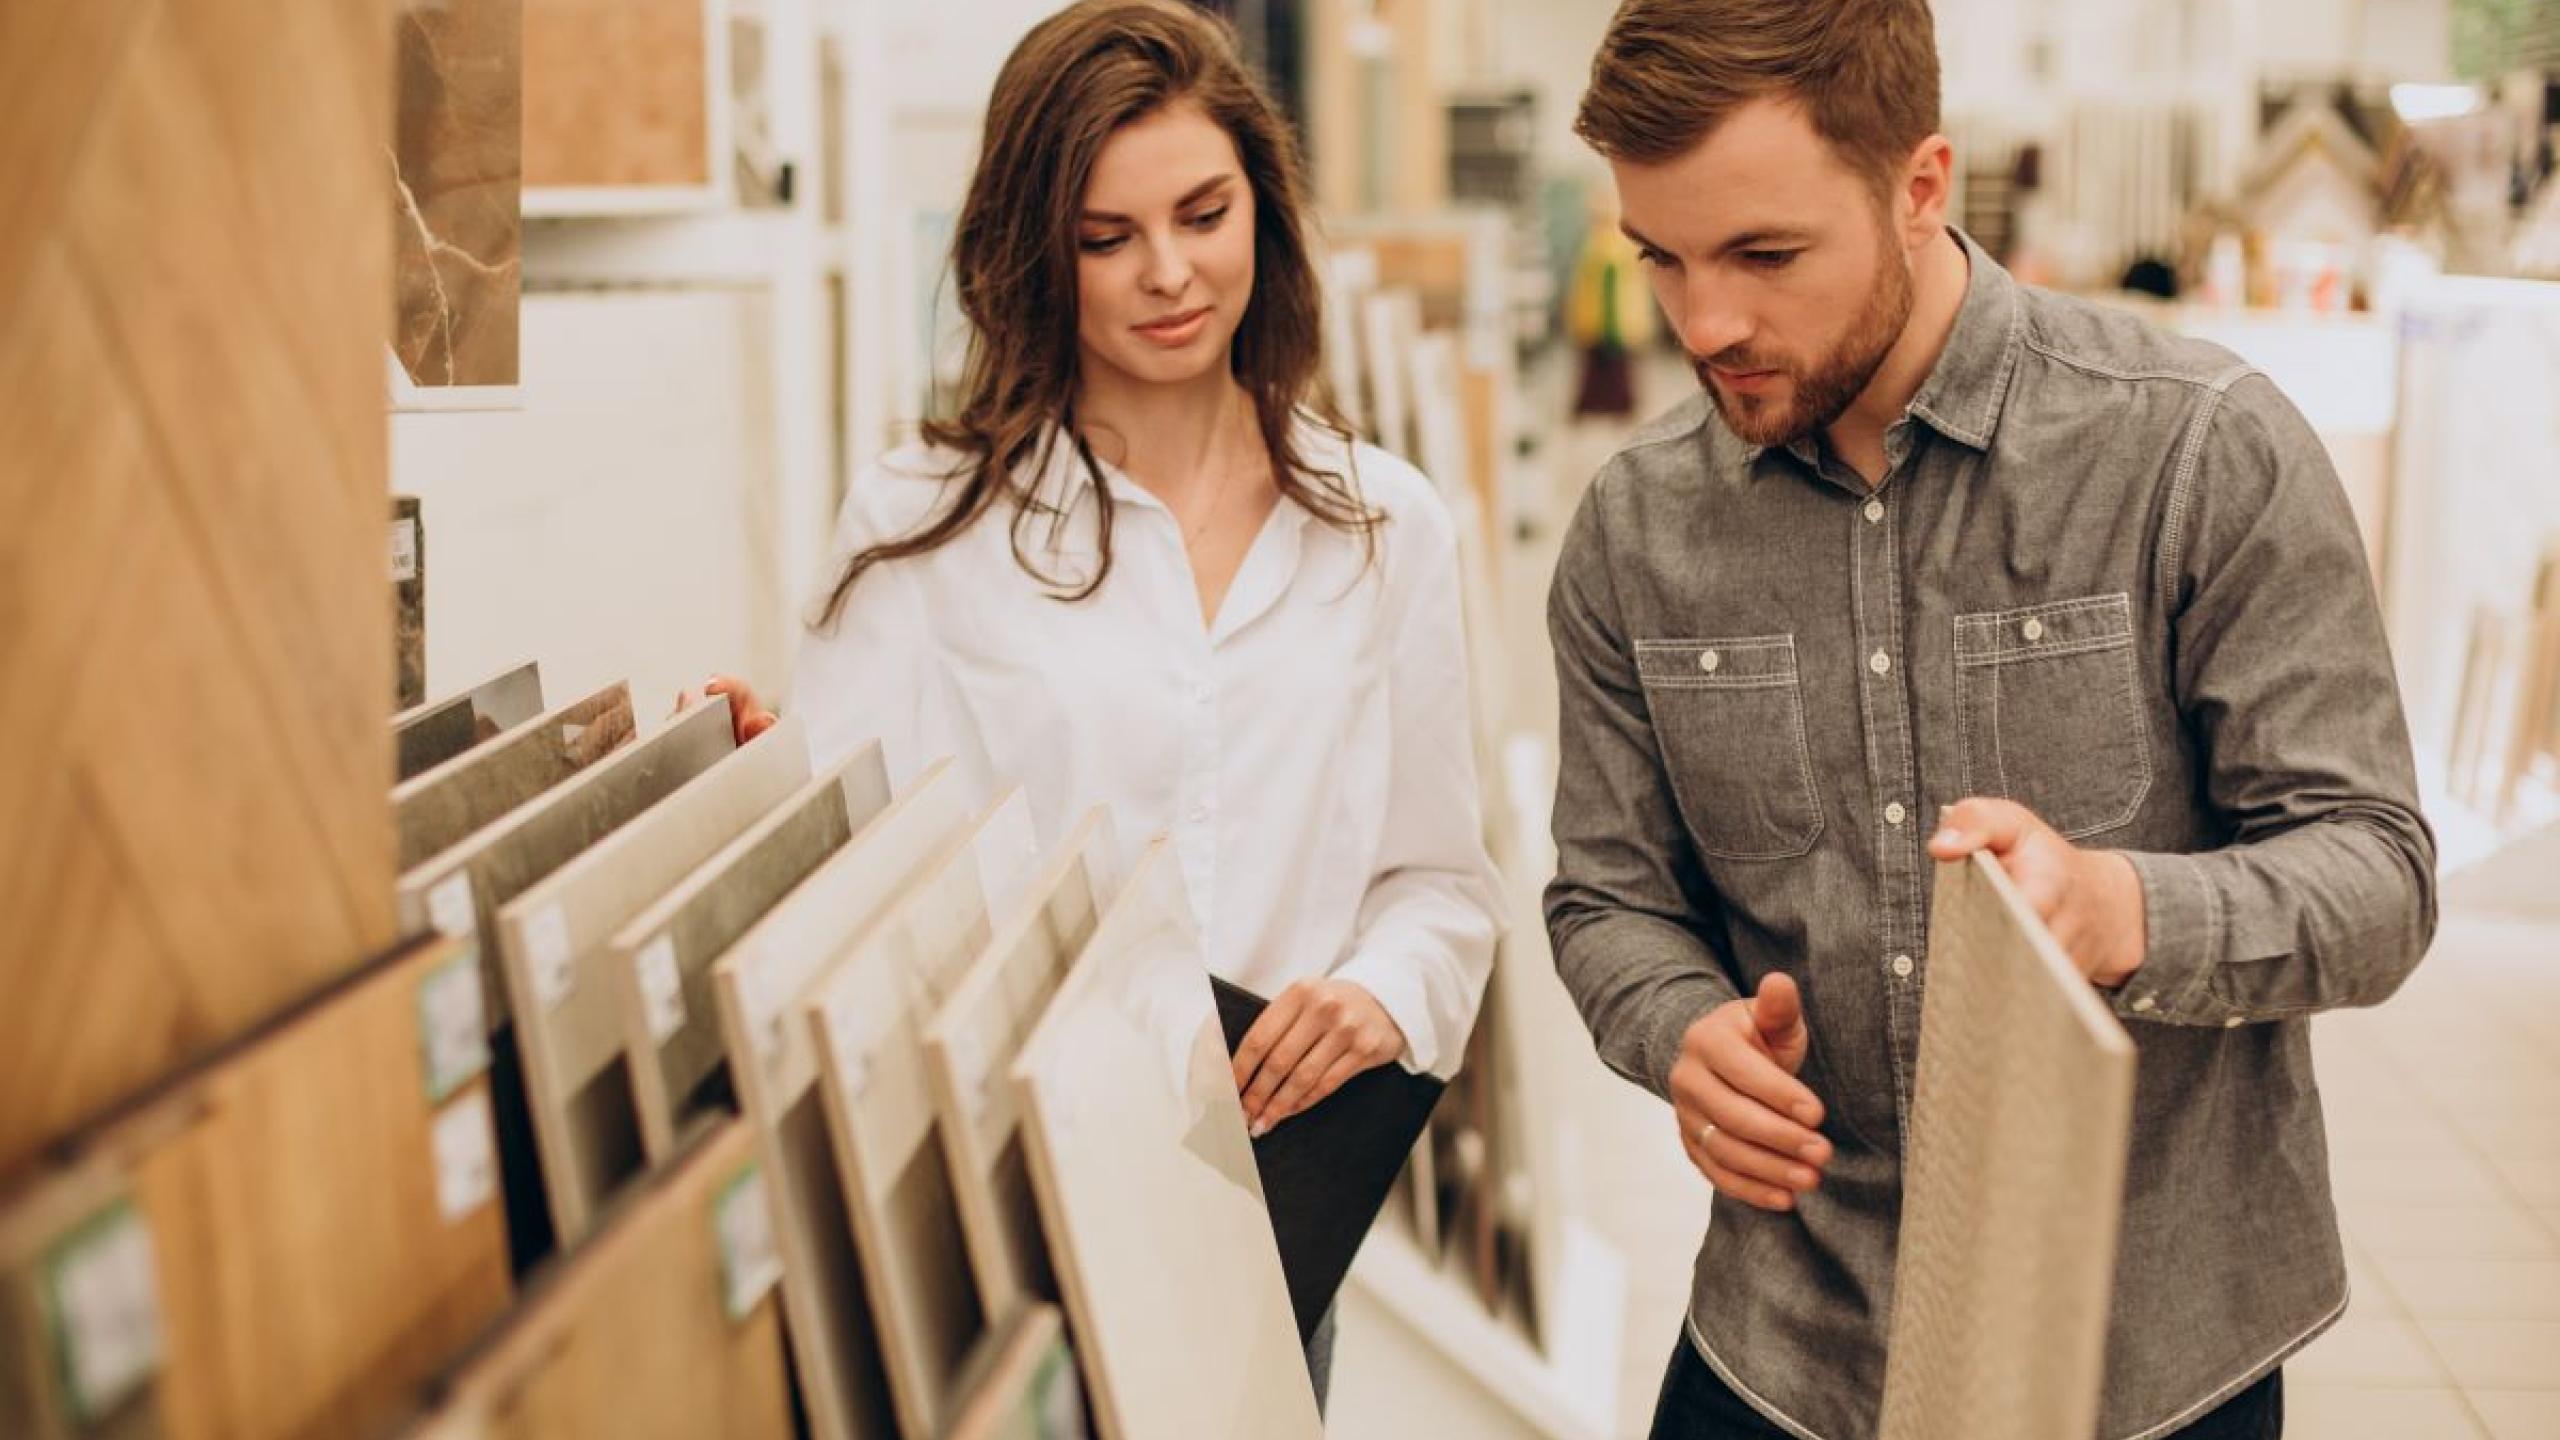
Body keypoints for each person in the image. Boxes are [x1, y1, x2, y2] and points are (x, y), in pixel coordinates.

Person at [1543, 2, 2435, 1437]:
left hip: (2142, 1356)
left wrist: (2116, 909)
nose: (1705, 324)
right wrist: (1679, 1028)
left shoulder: (2198, 450)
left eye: (1765, 255)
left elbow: (2377, 875)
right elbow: (1606, 899)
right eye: (1662, 257)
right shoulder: (1636, 531)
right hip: (1788, 1348)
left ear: (1921, 186)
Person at [698, 0, 1503, 1404]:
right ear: (1034, 250)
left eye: (1204, 213)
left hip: (1264, 1225)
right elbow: (851, 890)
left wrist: (1381, 997)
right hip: (1002, 1218)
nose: (1170, 274)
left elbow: (1443, 884)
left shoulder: (1389, 529)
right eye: (1105, 236)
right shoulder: (925, 525)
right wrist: (756, 796)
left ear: (1264, 205)